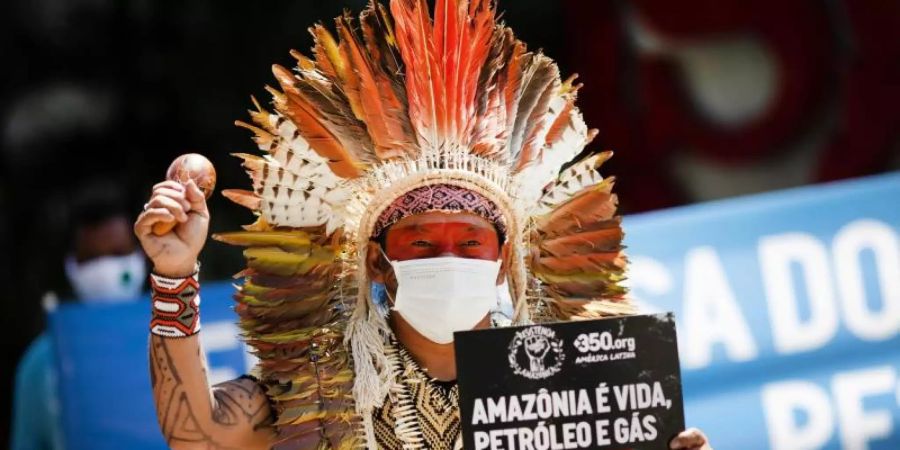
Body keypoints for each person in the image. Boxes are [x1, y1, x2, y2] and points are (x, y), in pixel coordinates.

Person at [134, 0, 714, 448]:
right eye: (421, 241)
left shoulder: (566, 384)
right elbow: (197, 436)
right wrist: (175, 276)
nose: (448, 257)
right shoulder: (325, 383)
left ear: (503, 259)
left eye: (469, 242)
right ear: (376, 260)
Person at [11, 183, 146, 450]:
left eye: (118, 254)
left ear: (142, 255)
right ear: (71, 266)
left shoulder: (188, 336)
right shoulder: (41, 364)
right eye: (91, 259)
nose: (105, 270)